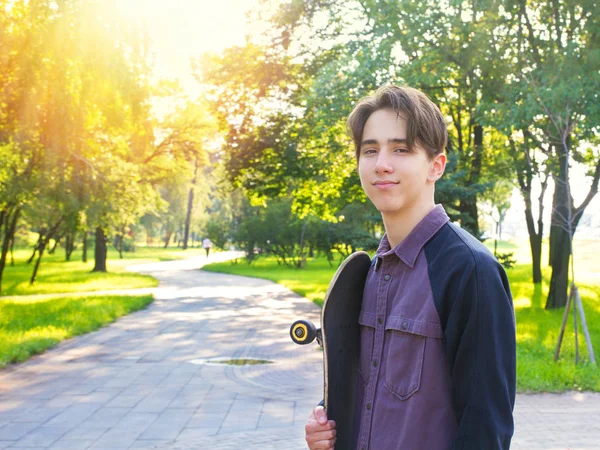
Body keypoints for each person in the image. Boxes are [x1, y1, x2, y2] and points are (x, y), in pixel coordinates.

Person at [304, 85, 516, 450]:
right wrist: (326, 422)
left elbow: (486, 430)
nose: (381, 163)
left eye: (401, 149)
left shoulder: (470, 272)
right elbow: (370, 392)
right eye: (370, 150)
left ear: (436, 165)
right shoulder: (367, 273)